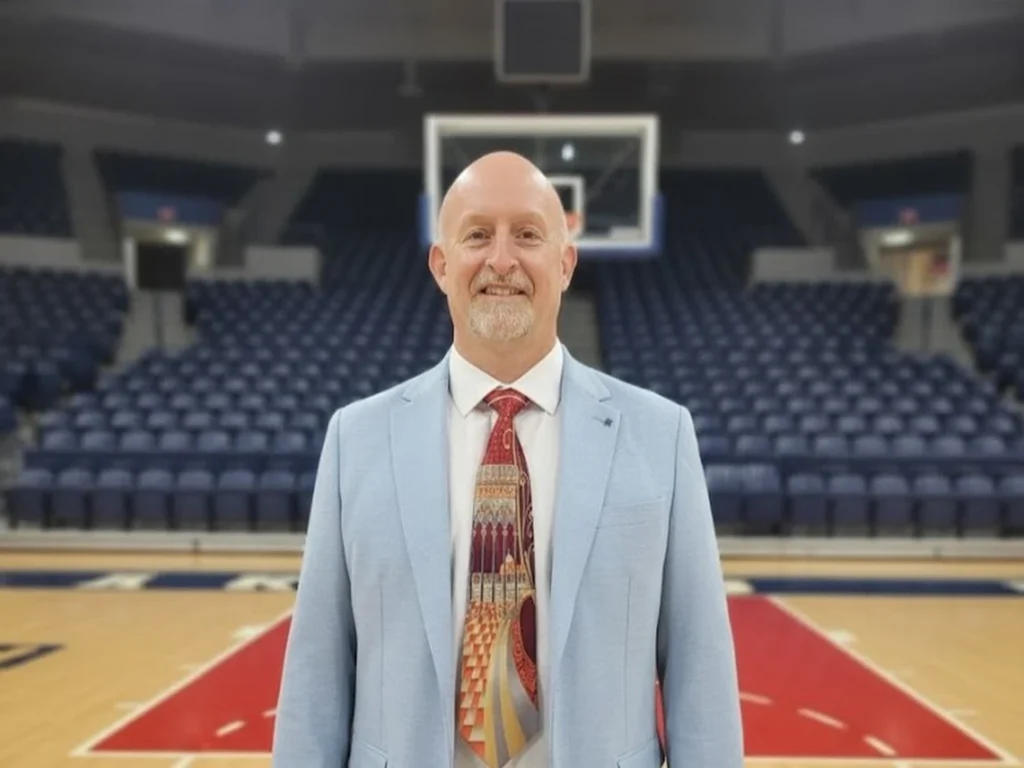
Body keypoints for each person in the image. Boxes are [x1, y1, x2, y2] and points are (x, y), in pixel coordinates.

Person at [272, 151, 743, 767]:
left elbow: (699, 671)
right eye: (476, 236)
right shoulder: (355, 439)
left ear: (565, 262)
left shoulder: (661, 435)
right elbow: (317, 677)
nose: (501, 260)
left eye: (527, 234)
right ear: (441, 265)